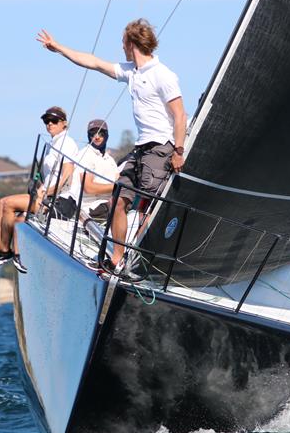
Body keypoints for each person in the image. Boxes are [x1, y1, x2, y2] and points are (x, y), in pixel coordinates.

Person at [37, 18, 187, 272]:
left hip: (160, 148)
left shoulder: (163, 75)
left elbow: (180, 115)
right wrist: (59, 48)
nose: (121, 48)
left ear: (131, 43)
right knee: (119, 201)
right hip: (140, 150)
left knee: (148, 206)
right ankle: (117, 258)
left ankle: (147, 261)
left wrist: (179, 150)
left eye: (122, 42)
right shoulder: (132, 72)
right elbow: (93, 63)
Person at [0, 106, 78, 273]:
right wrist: (40, 188)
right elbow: (50, 177)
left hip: (61, 202)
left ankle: (4, 252)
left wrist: (46, 192)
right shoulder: (52, 145)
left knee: (9, 204)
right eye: (46, 121)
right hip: (47, 196)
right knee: (2, 202)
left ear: (64, 123)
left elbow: (67, 176)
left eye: (54, 121)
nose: (49, 124)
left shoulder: (67, 143)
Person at [52, 119, 119, 220]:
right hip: (89, 208)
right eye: (93, 133)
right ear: (88, 135)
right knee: (120, 208)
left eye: (101, 133)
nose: (96, 137)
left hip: (107, 204)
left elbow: (119, 179)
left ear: (107, 135)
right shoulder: (86, 155)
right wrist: (116, 187)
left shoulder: (110, 160)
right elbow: (88, 187)